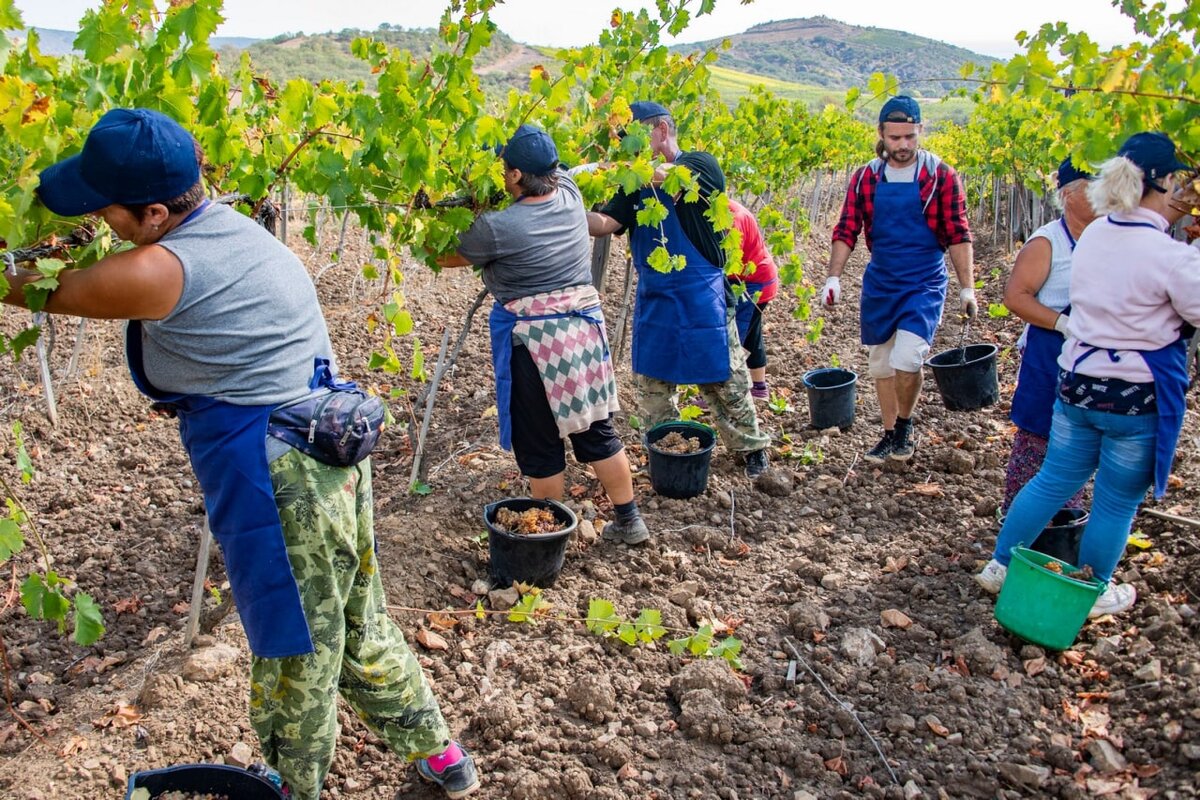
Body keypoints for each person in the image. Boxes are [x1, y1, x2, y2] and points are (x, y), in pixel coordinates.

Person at [4, 109, 478, 800]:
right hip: (331, 451)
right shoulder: (234, 231)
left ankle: (292, 787)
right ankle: (441, 756)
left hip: (277, 478)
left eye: (106, 210)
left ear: (157, 212)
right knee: (356, 619)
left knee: (295, 651)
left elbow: (39, 288)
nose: (100, 221)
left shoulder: (163, 269)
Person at [976, 131, 1200, 619]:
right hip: (1136, 399)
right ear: (1164, 183)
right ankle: (1094, 590)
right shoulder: (1171, 255)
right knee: (1116, 502)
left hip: (1077, 387)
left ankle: (998, 565)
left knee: (1052, 479)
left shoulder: (1095, 234)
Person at [439, 124, 650, 545]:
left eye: (503, 168)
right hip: (585, 337)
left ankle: (548, 540)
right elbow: (573, 169)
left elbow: (444, 258)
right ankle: (630, 521)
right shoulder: (571, 194)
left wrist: (443, 211)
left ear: (516, 176)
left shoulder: (499, 228)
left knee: (540, 445)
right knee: (597, 431)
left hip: (535, 346)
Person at [586, 101, 771, 478]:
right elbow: (606, 222)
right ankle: (666, 450)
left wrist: (626, 169)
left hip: (702, 296)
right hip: (656, 299)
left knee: (726, 380)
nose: (628, 148)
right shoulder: (633, 182)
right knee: (653, 385)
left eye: (634, 138)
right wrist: (565, 207)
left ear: (662, 130)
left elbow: (671, 175)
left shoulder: (700, 164)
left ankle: (751, 451)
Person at [822, 95, 976, 463]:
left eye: (910, 136)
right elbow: (847, 229)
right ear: (881, 135)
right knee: (880, 364)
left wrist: (967, 287)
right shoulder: (865, 179)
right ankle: (890, 433)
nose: (903, 145)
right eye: (895, 138)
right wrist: (833, 278)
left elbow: (958, 234)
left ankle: (905, 425)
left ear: (921, 131)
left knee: (908, 358)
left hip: (924, 281)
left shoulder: (940, 176)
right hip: (882, 281)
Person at [1000, 158, 1097, 514]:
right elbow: (1015, 297)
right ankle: (1020, 517)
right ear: (1068, 194)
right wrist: (1062, 324)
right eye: (1092, 186)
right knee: (1039, 435)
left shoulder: (1111, 239)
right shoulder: (1047, 243)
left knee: (1080, 441)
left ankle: (1067, 517)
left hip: (1096, 359)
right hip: (1050, 353)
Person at [729, 199, 779, 400]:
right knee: (752, 334)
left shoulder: (733, 219)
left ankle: (730, 394)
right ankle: (759, 388)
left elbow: (726, 263)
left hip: (752, 284)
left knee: (733, 339)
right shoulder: (724, 209)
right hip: (758, 279)